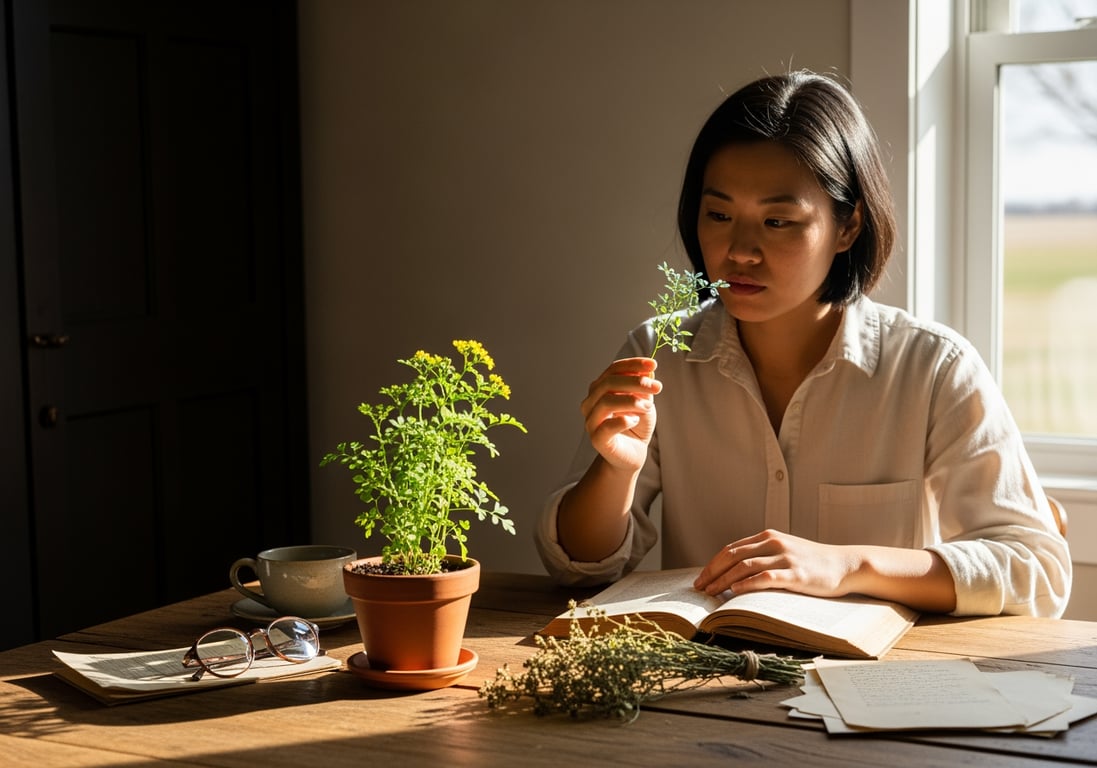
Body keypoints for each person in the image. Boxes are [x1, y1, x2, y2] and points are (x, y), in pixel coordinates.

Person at [535, 70, 1071, 618]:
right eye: (718, 214)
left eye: (778, 221)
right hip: (703, 684)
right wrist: (617, 471)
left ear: (848, 227)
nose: (740, 250)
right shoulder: (659, 352)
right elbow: (577, 567)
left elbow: (1038, 569)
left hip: (875, 687)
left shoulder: (934, 369)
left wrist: (848, 566)